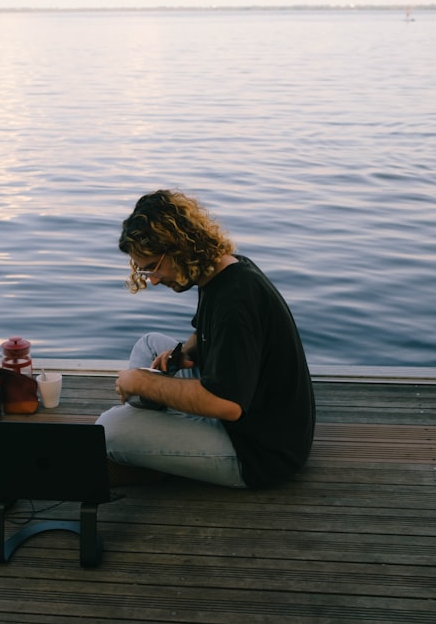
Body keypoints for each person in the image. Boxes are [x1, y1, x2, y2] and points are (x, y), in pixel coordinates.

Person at [97, 189, 315, 489]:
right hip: (251, 412)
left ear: (179, 247)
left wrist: (142, 383)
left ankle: (152, 441)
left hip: (258, 452)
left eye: (153, 267)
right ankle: (155, 433)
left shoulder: (236, 300)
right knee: (150, 344)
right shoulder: (223, 270)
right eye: (145, 271)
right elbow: (207, 332)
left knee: (108, 429)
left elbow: (229, 404)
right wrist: (186, 351)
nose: (155, 280)